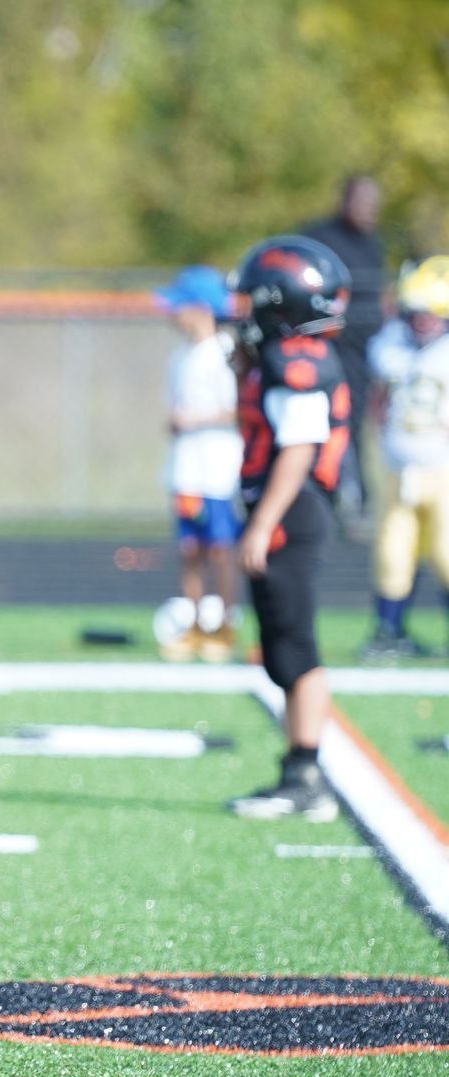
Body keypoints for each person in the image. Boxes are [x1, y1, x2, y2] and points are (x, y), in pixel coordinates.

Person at [226, 235, 353, 822]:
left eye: (256, 302)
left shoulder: (297, 361)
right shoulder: (278, 358)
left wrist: (263, 524)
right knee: (281, 648)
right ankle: (298, 771)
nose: (245, 314)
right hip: (286, 510)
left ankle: (307, 777)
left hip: (292, 512)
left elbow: (299, 448)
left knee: (296, 649)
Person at [362, 256, 449, 661]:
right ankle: (389, 630)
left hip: (443, 466)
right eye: (416, 313)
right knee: (394, 550)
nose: (421, 321)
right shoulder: (390, 345)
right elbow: (378, 398)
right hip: (399, 466)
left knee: (447, 553)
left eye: (430, 314)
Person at [153, 265, 242, 662]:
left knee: (220, 548)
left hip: (218, 469)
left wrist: (194, 419)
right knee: (190, 548)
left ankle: (224, 621)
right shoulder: (179, 358)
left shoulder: (225, 353)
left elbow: (237, 411)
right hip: (186, 469)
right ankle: (192, 622)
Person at [301, 176, 388, 528]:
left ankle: (357, 499)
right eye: (364, 202)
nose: (371, 211)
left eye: (375, 204)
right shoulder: (319, 239)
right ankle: (329, 494)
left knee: (354, 423)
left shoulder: (374, 245)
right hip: (328, 348)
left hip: (363, 352)